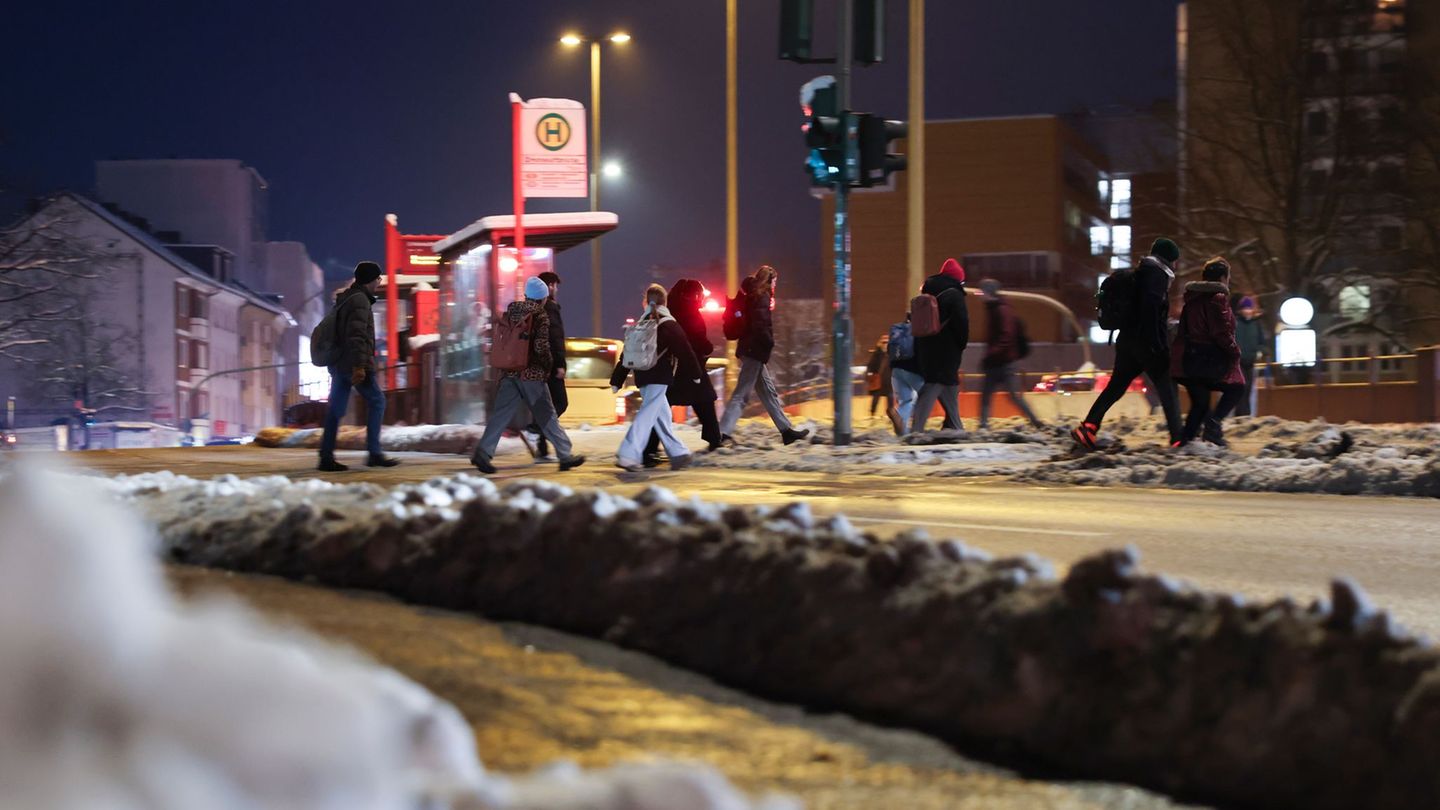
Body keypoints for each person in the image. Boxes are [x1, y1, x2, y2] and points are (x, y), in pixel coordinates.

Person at [1071, 238, 1186, 450]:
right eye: (1175, 260)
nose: (1176, 265)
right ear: (1168, 259)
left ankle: (1088, 427)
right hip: (1146, 343)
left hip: (1127, 341)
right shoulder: (1156, 275)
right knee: (1168, 386)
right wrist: (1157, 345)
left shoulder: (1141, 272)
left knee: (1116, 387)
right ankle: (1178, 438)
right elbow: (1150, 308)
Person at [470, 277, 586, 474]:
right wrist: (548, 366)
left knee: (501, 414)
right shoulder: (540, 315)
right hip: (531, 375)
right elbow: (541, 347)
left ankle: (483, 452)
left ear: (525, 295)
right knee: (548, 415)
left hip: (509, 372)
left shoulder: (512, 312)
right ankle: (565, 455)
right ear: (542, 298)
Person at [612, 284, 704, 471]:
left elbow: (627, 353)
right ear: (665, 302)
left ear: (645, 302)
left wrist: (617, 379)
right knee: (648, 414)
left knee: (662, 415)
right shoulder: (668, 323)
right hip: (659, 375)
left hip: (642, 373)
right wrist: (696, 374)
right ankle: (628, 454)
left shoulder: (642, 322)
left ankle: (678, 453)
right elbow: (685, 350)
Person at [318, 262, 400, 472]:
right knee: (378, 401)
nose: (379, 282)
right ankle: (374, 453)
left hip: (339, 363)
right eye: (378, 279)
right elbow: (357, 336)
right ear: (370, 280)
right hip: (353, 363)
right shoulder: (360, 301)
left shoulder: (347, 298)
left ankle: (326, 457)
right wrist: (359, 366)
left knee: (335, 410)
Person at [718, 265, 810, 446]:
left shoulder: (751, 294)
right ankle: (723, 433)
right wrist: (769, 342)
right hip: (755, 350)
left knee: (768, 392)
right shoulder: (761, 296)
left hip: (751, 349)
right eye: (775, 281)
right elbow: (761, 325)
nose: (776, 285)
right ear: (770, 280)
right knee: (742, 393)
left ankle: (786, 431)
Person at [644, 278, 721, 464]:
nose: (701, 299)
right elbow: (696, 340)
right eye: (700, 295)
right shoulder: (690, 313)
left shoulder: (669, 310)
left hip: (670, 369)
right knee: (705, 400)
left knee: (662, 408)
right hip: (689, 366)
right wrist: (707, 347)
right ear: (694, 295)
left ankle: (648, 449)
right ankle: (714, 440)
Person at [1173, 258, 1246, 445]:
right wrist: (1234, 350)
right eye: (1227, 277)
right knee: (1237, 387)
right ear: (1223, 278)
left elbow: (1183, 331)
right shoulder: (1218, 299)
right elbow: (1220, 331)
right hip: (1210, 359)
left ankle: (1186, 441)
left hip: (1190, 359)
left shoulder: (1192, 300)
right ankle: (1213, 426)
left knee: (1200, 402)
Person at [911, 258, 970, 434]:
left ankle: (954, 425)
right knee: (934, 384)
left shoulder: (927, 292)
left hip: (925, 346)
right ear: (957, 279)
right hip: (946, 349)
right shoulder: (954, 295)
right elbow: (962, 323)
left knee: (950, 385)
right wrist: (962, 343)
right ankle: (916, 429)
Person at [978, 278, 1043, 430]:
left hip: (1004, 362)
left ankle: (1035, 421)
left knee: (1006, 396)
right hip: (999, 361)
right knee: (990, 395)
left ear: (988, 292)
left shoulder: (1001, 310)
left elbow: (1006, 336)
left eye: (981, 291)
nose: (979, 294)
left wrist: (991, 354)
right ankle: (983, 424)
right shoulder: (995, 308)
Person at [526, 271, 568, 460]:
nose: (556, 289)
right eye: (555, 285)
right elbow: (555, 337)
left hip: (535, 363)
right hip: (550, 364)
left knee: (546, 404)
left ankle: (542, 446)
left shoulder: (530, 308)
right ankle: (535, 429)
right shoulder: (550, 307)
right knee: (560, 402)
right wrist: (560, 363)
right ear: (549, 286)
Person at [1233, 294, 1265, 417]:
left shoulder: (1256, 324)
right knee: (1241, 387)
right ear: (1241, 310)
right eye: (1245, 309)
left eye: (1249, 308)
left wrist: (1260, 351)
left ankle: (1245, 413)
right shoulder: (1236, 323)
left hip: (1251, 361)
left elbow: (1261, 341)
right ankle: (1240, 413)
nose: (1247, 311)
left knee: (1248, 388)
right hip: (1238, 361)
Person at [865, 336, 893, 423]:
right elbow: (870, 366)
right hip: (879, 381)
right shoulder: (877, 354)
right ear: (880, 343)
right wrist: (869, 374)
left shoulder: (893, 354)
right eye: (883, 342)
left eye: (887, 342)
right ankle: (872, 414)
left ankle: (890, 416)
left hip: (889, 381)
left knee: (890, 400)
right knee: (875, 399)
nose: (885, 344)